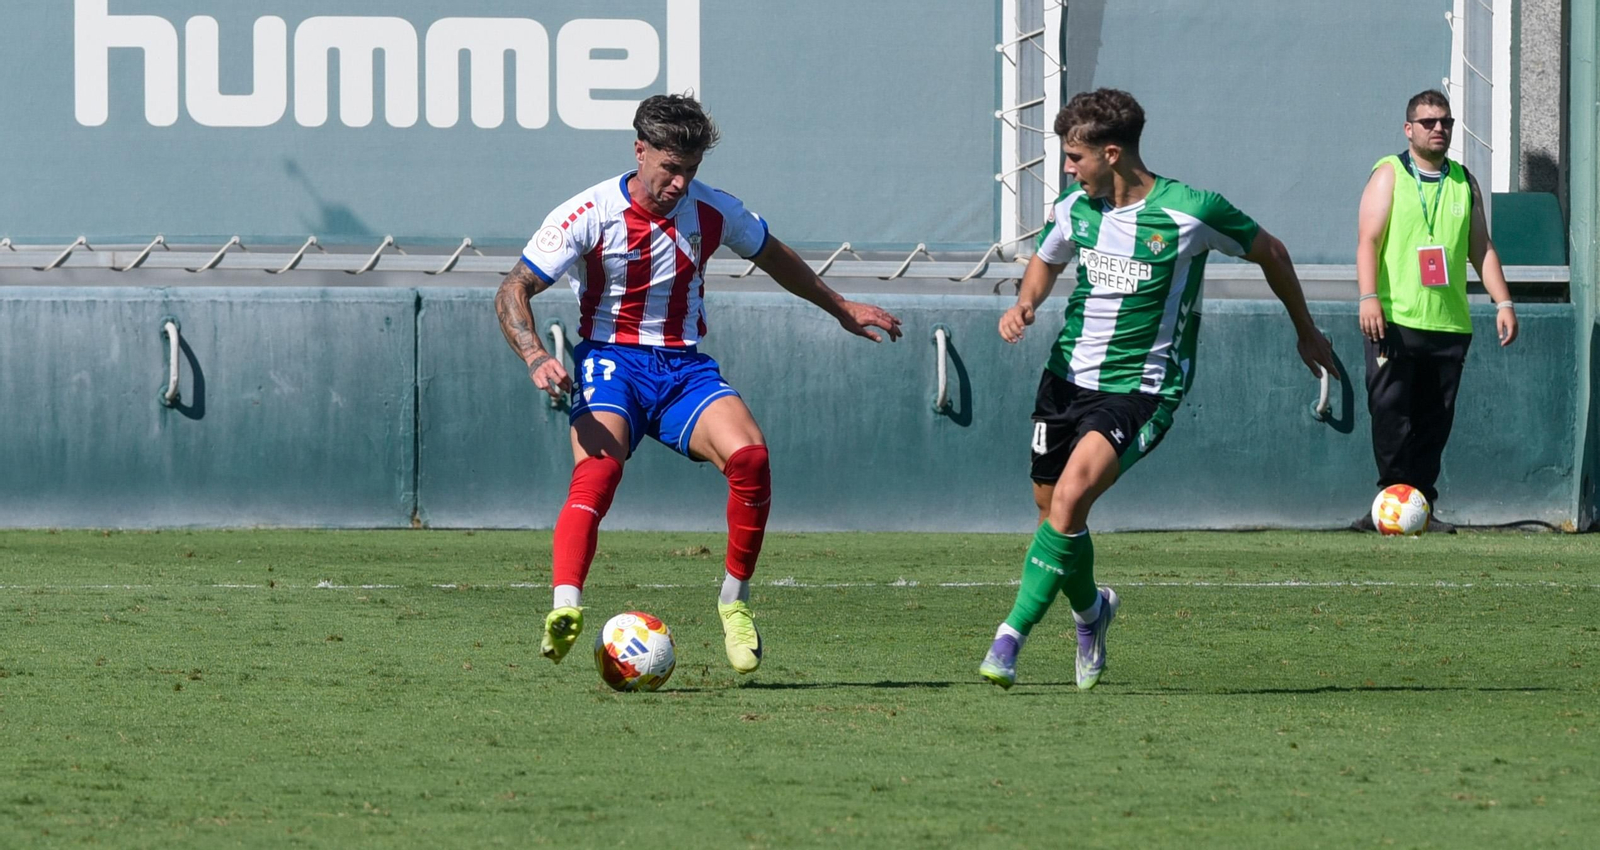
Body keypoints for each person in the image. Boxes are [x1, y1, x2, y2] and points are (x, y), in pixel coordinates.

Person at [495, 94, 902, 675]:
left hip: (683, 368)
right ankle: (565, 608)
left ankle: (735, 604)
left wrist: (839, 307)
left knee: (752, 459)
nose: (680, 183)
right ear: (640, 152)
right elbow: (512, 290)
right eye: (670, 169)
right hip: (611, 363)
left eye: (690, 171)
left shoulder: (714, 210)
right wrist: (536, 356)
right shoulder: (588, 211)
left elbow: (773, 254)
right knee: (599, 471)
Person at [977, 88, 1338, 690]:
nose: (1068, 169)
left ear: (1111, 154)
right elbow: (1046, 259)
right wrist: (1025, 302)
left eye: (1075, 157)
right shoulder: (1075, 206)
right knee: (1053, 515)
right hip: (1064, 382)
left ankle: (1008, 640)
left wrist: (1305, 330)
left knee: (1067, 503)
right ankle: (1093, 614)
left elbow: (1272, 252)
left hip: (1140, 390)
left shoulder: (1190, 210)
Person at [1352, 90, 1518, 534]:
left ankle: (1421, 507)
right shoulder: (1389, 174)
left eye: (1445, 121)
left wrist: (1502, 301)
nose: (1439, 129)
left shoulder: (1464, 180)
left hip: (1448, 324)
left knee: (1433, 422)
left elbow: (1480, 247)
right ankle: (1389, 502)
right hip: (1396, 319)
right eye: (1428, 122)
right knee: (1390, 413)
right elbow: (1368, 239)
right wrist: (1368, 298)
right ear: (1409, 129)